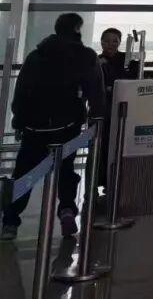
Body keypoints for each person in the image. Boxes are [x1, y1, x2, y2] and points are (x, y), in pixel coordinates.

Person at [2, 13, 105, 241]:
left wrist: (19, 121)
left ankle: (10, 221)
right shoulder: (85, 56)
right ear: (77, 29)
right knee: (66, 171)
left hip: (34, 128)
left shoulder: (36, 55)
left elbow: (22, 91)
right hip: (67, 127)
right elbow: (95, 92)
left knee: (24, 173)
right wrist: (96, 119)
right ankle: (67, 210)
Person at [97, 27, 135, 192]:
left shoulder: (128, 61)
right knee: (103, 147)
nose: (111, 44)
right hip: (104, 112)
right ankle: (102, 181)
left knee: (120, 146)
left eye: (115, 41)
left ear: (120, 42)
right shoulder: (96, 61)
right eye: (107, 41)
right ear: (101, 42)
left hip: (124, 111)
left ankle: (118, 182)